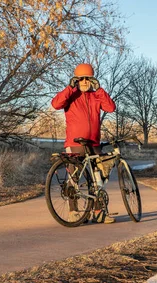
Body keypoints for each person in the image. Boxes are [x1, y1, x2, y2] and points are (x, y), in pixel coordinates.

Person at [51, 63, 117, 224]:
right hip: (74, 144)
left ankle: (98, 212)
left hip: (94, 143)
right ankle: (74, 212)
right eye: (82, 79)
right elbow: (55, 104)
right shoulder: (71, 94)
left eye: (88, 79)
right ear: (76, 80)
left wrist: (100, 90)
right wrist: (69, 88)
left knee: (98, 179)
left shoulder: (96, 95)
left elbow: (110, 107)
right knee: (74, 178)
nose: (85, 82)